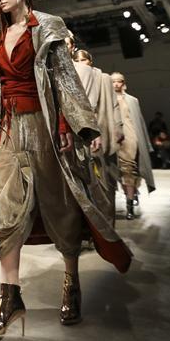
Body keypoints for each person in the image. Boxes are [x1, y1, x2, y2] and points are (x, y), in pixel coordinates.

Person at [0, 0, 132, 337]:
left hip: (43, 126)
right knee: (5, 211)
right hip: (7, 129)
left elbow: (64, 77)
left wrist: (69, 126)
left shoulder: (48, 26)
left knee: (60, 205)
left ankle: (71, 283)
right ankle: (9, 298)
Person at [71, 48, 123, 226]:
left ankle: (107, 225)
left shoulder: (104, 78)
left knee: (106, 182)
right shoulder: (73, 78)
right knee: (88, 182)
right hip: (82, 135)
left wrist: (118, 128)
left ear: (90, 61)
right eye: (77, 60)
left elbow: (114, 106)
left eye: (84, 60)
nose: (81, 63)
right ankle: (92, 228)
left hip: (103, 132)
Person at [110, 72, 156, 219]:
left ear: (123, 83)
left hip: (130, 138)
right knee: (117, 172)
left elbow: (140, 122)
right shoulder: (106, 99)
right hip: (112, 140)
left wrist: (146, 143)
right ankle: (130, 196)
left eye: (119, 81)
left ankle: (129, 207)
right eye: (113, 81)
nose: (116, 84)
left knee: (129, 171)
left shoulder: (132, 100)